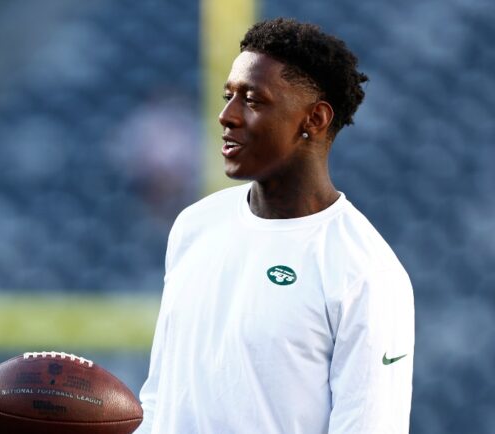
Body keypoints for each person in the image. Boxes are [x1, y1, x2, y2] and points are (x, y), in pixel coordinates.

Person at [136, 18, 414, 434]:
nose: (226, 116)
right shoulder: (195, 225)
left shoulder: (365, 272)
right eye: (228, 95)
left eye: (253, 100)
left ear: (315, 119)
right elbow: (160, 398)